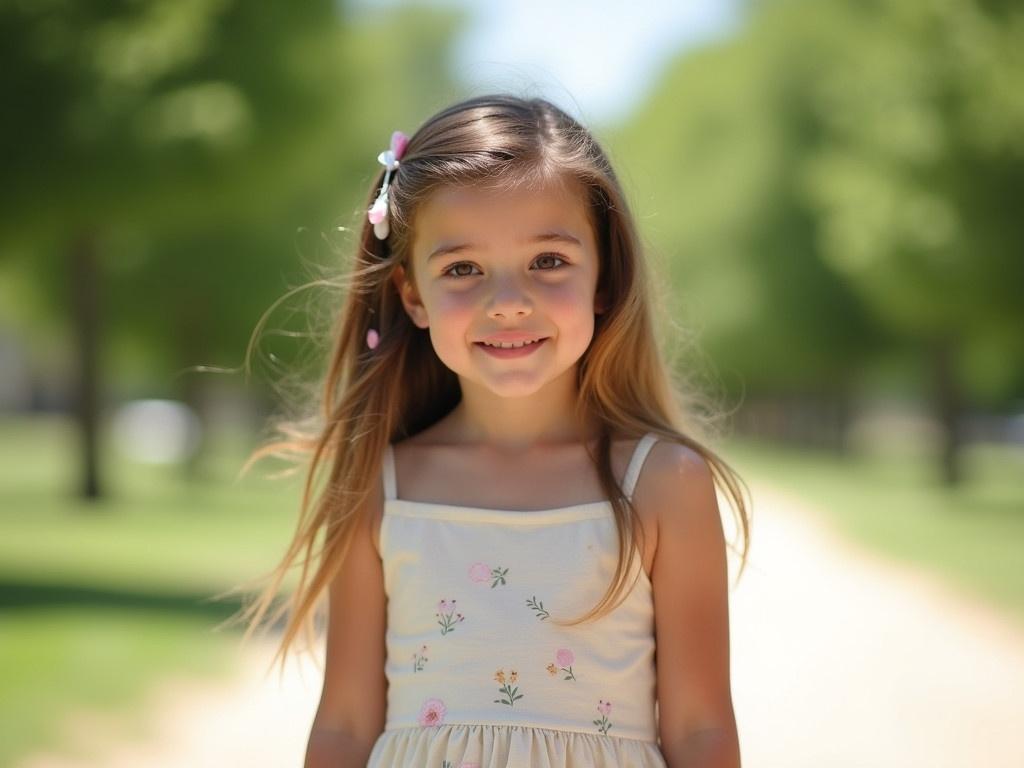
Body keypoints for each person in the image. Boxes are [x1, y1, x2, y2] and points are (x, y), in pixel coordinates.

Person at [230, 93, 750, 768]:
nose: (508, 302)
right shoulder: (381, 486)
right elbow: (345, 724)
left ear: (604, 279)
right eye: (462, 269)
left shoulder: (663, 481)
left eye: (548, 261)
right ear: (413, 295)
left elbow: (701, 728)